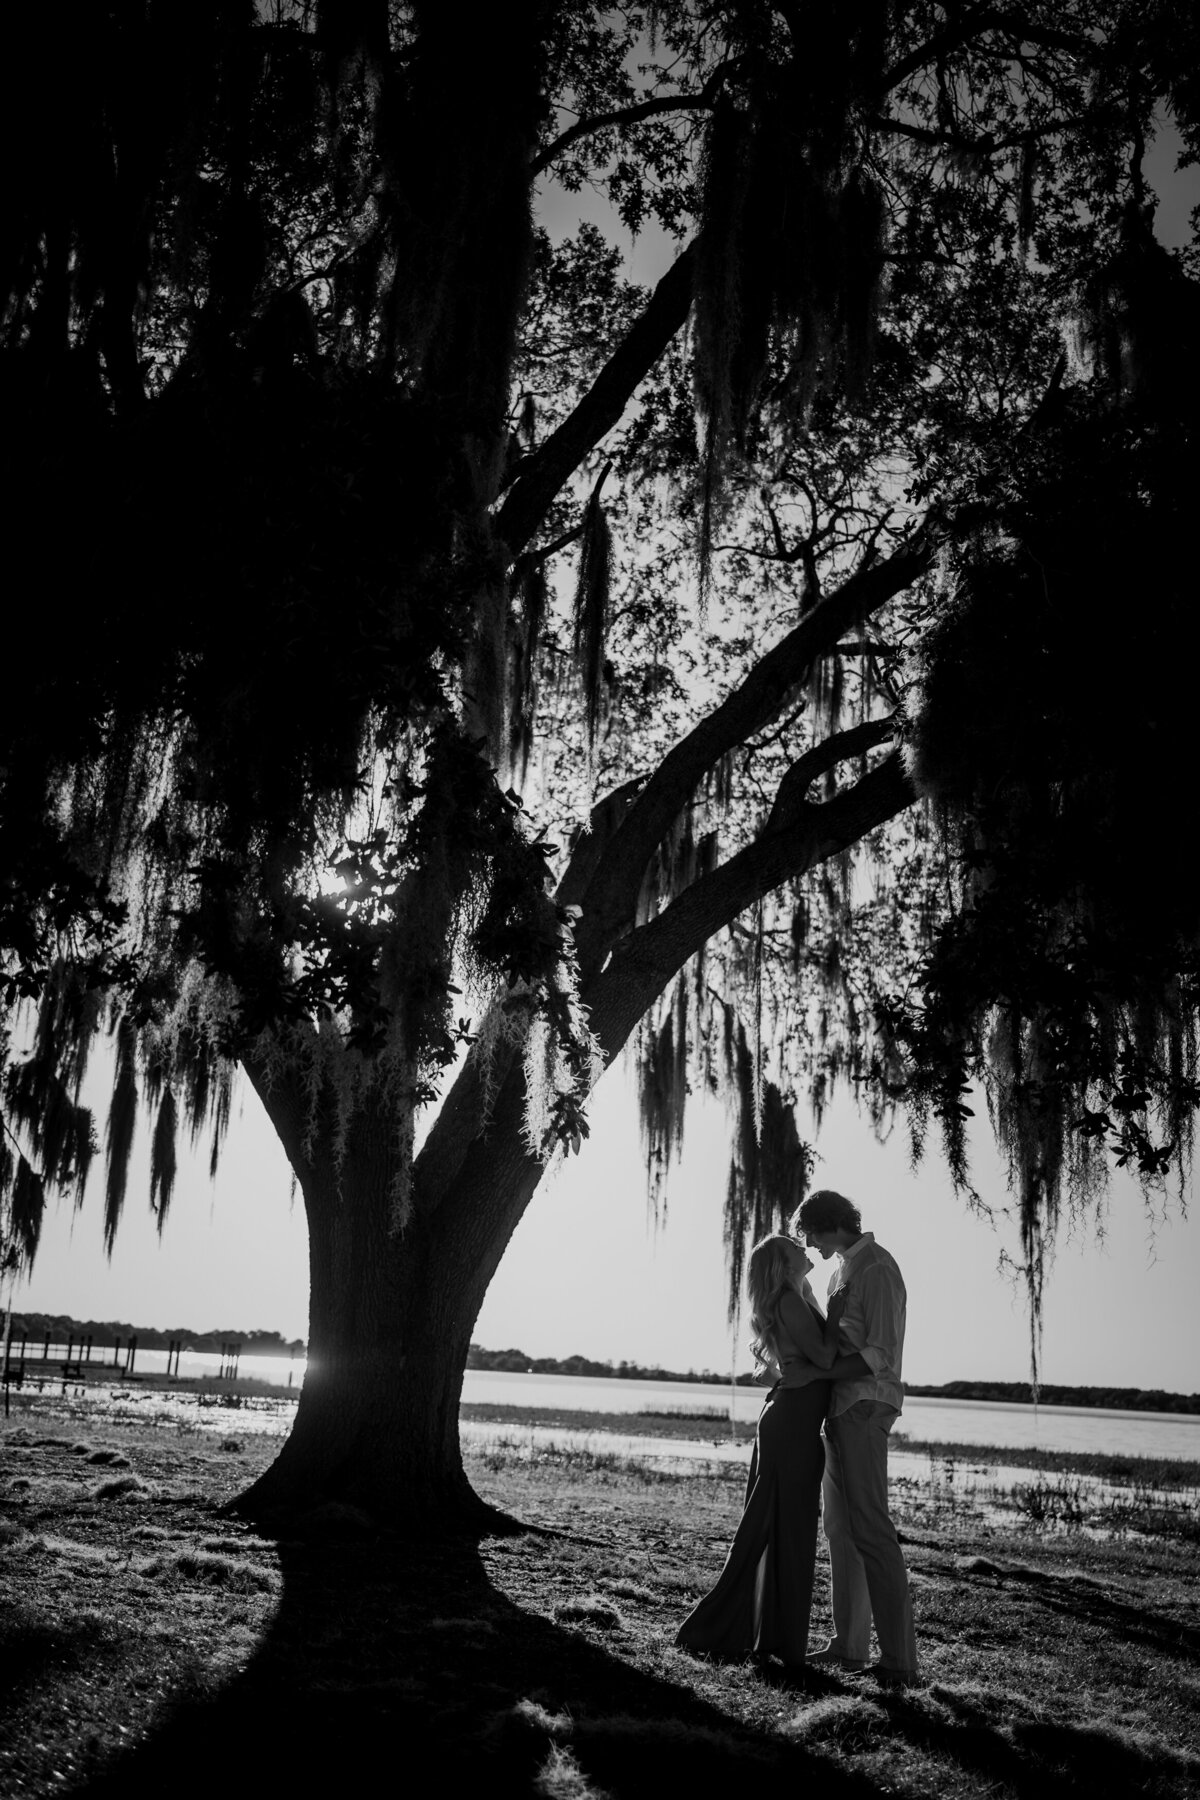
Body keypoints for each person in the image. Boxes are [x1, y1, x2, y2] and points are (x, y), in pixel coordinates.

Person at [674, 1233, 836, 1671]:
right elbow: (822, 1357)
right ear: (783, 1264)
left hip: (794, 1419)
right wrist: (861, 1345)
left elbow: (808, 1363)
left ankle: (771, 1638)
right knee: (777, 1529)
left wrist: (790, 1376)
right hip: (792, 1424)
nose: (805, 1249)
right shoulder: (787, 1300)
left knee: (785, 1529)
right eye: (795, 1248)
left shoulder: (795, 1297)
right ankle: (729, 1630)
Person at [794, 1188, 919, 1688]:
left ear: (829, 1224)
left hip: (867, 1404)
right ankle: (848, 1647)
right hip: (839, 1409)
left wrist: (817, 1377)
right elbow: (833, 1343)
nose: (810, 1243)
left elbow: (881, 1352)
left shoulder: (878, 1269)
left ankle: (900, 1662)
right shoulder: (838, 1272)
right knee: (840, 1531)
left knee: (871, 1528)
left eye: (811, 1232)